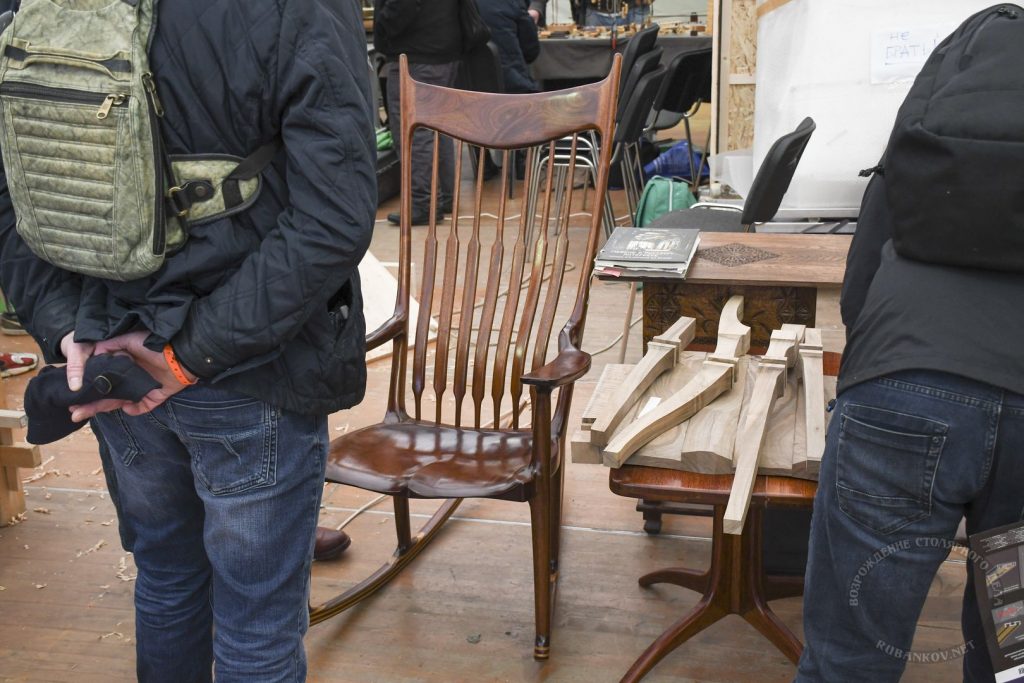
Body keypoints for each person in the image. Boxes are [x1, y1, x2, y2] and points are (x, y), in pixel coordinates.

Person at [0, 1, 377, 681]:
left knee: (168, 581)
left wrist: (66, 327)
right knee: (255, 628)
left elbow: (14, 184)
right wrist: (182, 353)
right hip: (247, 368)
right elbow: (333, 215)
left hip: (113, 355)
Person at [795, 171, 1024, 681]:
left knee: (848, 661)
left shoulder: (933, 126)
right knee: (1014, 652)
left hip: (904, 386)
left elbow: (858, 291)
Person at [375, 0, 463, 226]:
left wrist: (383, 26)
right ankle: (443, 196)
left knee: (414, 129)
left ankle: (424, 203)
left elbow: (400, 8)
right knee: (437, 125)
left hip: (416, 53)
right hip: (444, 47)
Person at [478, 0, 542, 94]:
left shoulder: (459, 5)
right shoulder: (513, 3)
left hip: (465, 88)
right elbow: (530, 51)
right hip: (512, 85)